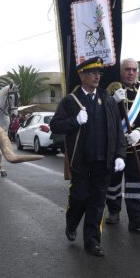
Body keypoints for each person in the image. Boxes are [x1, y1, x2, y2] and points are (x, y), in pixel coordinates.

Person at [50, 57, 126, 257]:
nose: (97, 76)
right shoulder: (70, 100)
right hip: (81, 160)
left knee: (97, 202)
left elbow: (118, 131)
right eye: (92, 73)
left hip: (104, 161)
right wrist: (74, 121)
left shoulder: (108, 100)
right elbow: (55, 126)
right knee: (80, 197)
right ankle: (72, 222)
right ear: (82, 75)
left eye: (99, 73)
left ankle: (92, 242)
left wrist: (119, 155)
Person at [105, 58, 140, 230]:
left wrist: (139, 133)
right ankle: (114, 211)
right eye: (128, 69)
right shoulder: (112, 90)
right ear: (121, 71)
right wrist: (112, 101)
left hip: (136, 147)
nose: (131, 73)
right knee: (113, 183)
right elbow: (103, 119)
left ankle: (136, 218)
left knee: (134, 183)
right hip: (114, 149)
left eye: (134, 70)